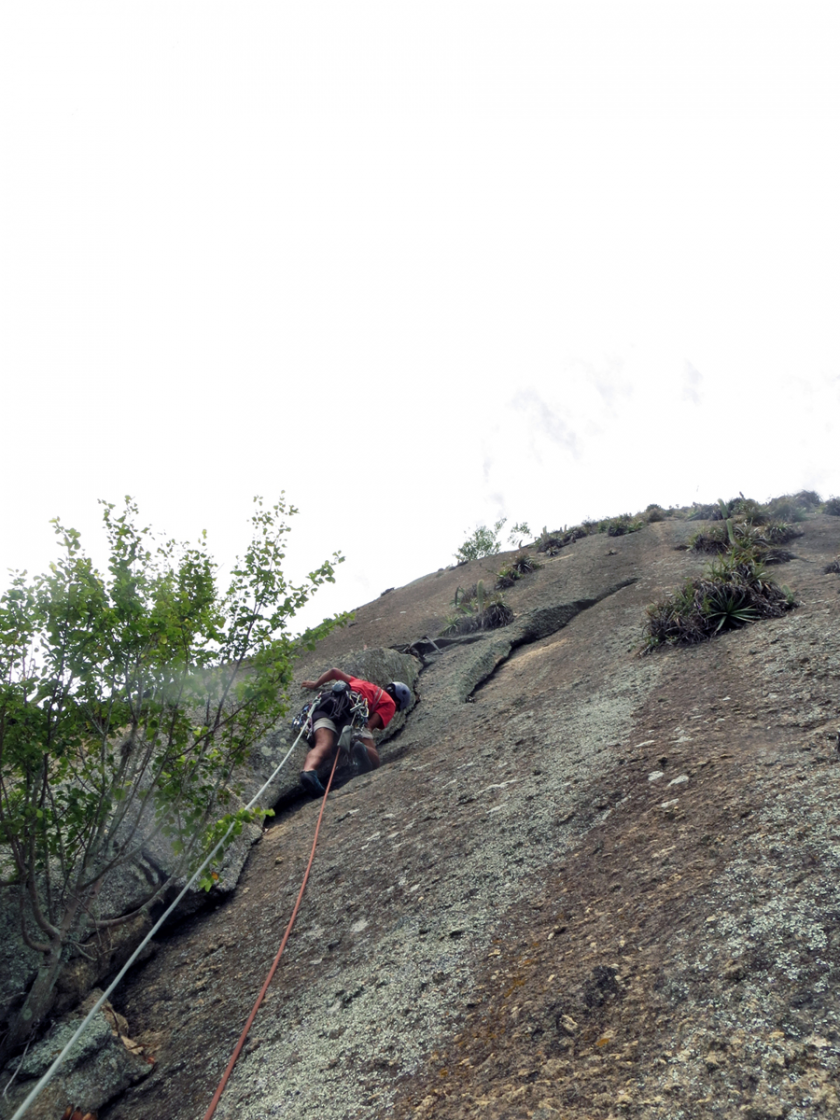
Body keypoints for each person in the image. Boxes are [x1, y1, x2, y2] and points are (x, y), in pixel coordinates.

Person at [298, 668, 411, 796]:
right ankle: (361, 748)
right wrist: (361, 740)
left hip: (325, 704)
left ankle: (308, 771)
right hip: (351, 711)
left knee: (323, 745)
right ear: (397, 702)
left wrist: (315, 684)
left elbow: (334, 671)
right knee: (375, 759)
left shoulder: (359, 682)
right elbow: (368, 725)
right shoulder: (390, 703)